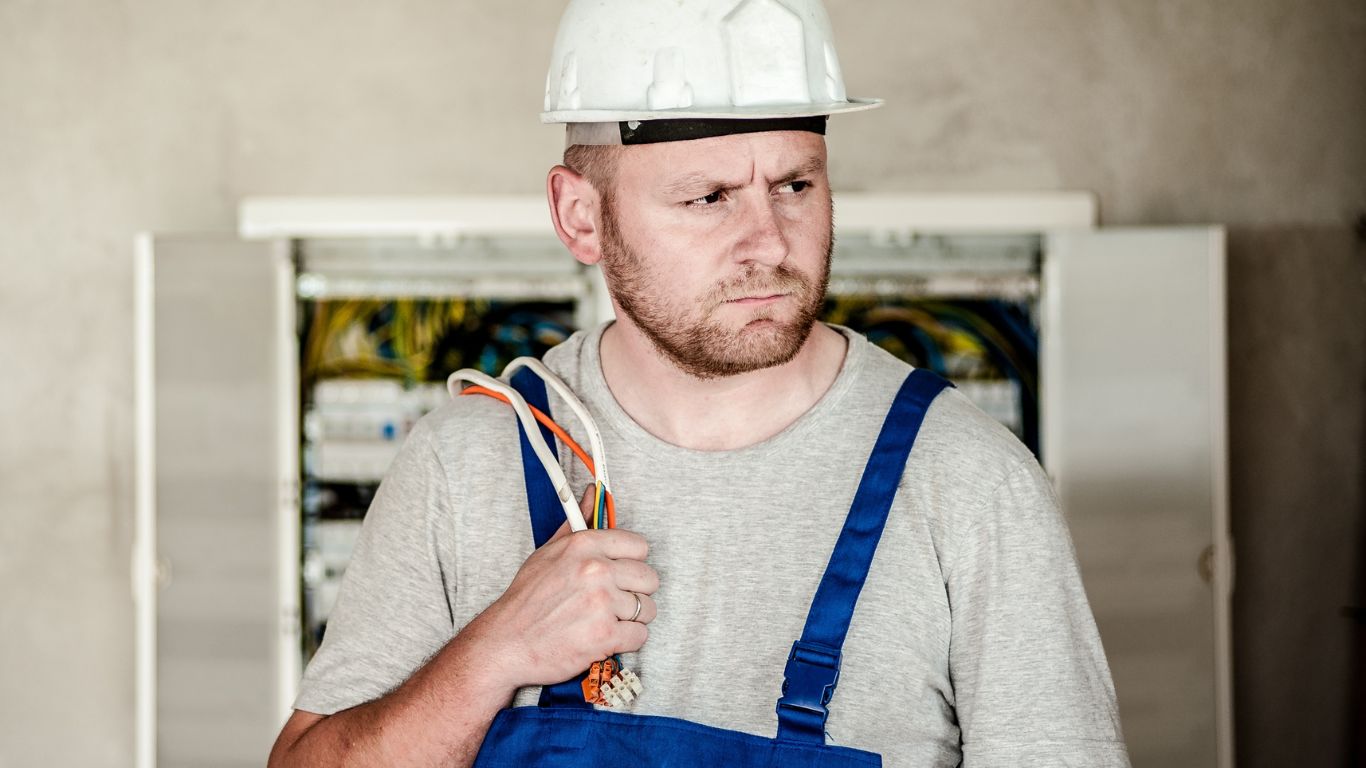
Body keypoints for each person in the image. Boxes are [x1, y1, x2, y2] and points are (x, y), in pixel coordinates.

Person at [269, 1, 1130, 766]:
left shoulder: (970, 484)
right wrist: (492, 654)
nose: (767, 241)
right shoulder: (467, 464)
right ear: (581, 216)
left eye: (795, 184)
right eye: (708, 198)